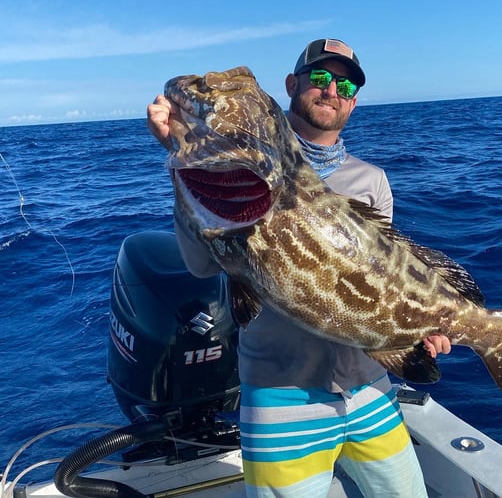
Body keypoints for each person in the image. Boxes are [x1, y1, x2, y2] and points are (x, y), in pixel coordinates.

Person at [147, 38, 451, 497]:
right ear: (292, 84)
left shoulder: (371, 180)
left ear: (354, 100)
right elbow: (202, 266)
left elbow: (387, 278)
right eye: (321, 78)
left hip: (370, 386)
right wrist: (181, 159)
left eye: (346, 84)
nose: (333, 90)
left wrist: (420, 330)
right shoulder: (237, 163)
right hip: (280, 392)